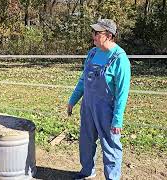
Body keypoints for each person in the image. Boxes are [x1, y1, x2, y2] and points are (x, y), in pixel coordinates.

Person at [67, 19, 131, 180]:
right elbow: (83, 80)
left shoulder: (119, 59)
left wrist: (117, 120)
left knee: (110, 146)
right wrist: (73, 100)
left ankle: (112, 177)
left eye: (97, 33)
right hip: (88, 107)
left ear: (109, 35)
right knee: (86, 142)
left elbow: (122, 94)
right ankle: (87, 172)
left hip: (106, 111)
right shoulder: (92, 53)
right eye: (93, 32)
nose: (93, 36)